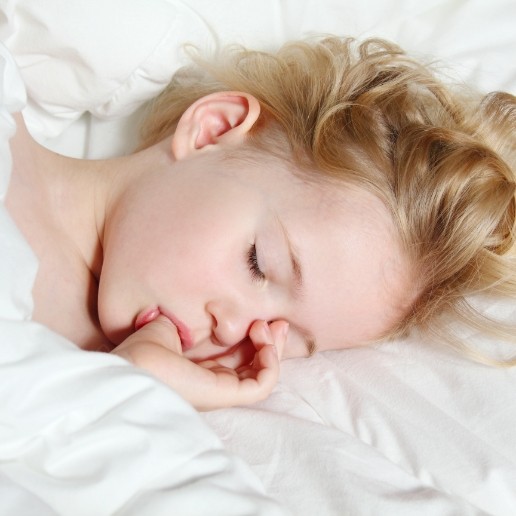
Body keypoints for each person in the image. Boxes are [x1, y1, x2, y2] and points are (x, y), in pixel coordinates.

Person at [5, 37, 516, 410]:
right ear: (215, 129)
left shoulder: (118, 384)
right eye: (257, 263)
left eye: (284, 336)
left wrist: (134, 388)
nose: (235, 329)